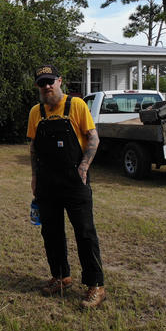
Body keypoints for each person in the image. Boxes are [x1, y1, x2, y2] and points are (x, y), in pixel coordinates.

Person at [26, 64, 106, 308]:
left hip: (74, 181)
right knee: (51, 232)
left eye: (50, 81)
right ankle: (61, 277)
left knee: (84, 232)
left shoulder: (77, 105)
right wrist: (34, 176)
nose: (47, 86)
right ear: (38, 86)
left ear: (59, 81)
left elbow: (93, 137)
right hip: (47, 181)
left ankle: (96, 284)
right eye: (42, 83)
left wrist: (83, 168)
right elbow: (33, 148)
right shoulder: (36, 112)